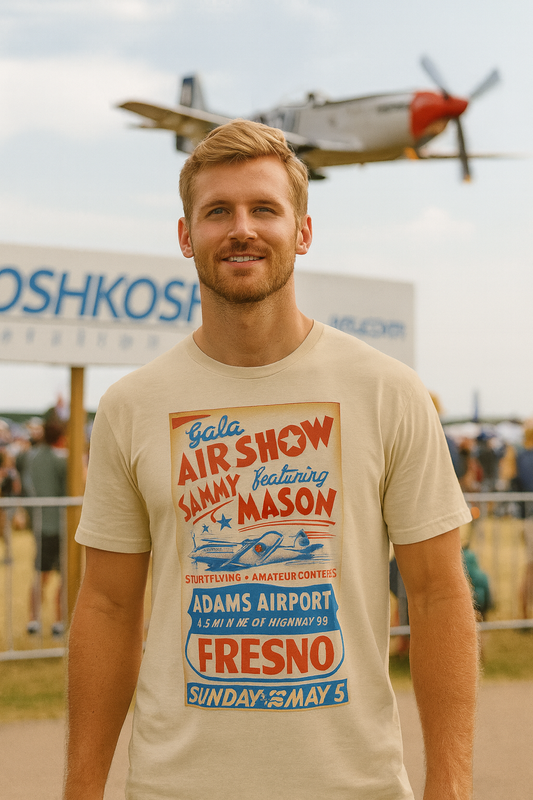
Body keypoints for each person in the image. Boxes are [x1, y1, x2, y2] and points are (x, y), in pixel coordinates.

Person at [65, 120, 478, 800]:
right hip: (175, 788)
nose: (242, 229)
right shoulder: (131, 406)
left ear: (303, 233)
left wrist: (452, 786)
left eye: (264, 209)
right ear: (185, 235)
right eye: (217, 211)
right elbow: (107, 606)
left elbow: (436, 595)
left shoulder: (387, 391)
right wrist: (80, 790)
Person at [27, 419, 67, 636]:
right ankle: (58, 621)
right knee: (63, 576)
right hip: (59, 525)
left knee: (40, 575)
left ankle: (33, 620)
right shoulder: (60, 460)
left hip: (41, 523)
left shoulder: (33, 457)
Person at [516, 422, 533, 620]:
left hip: (528, 517)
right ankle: (523, 615)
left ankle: (523, 613)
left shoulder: (520, 457)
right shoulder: (525, 458)